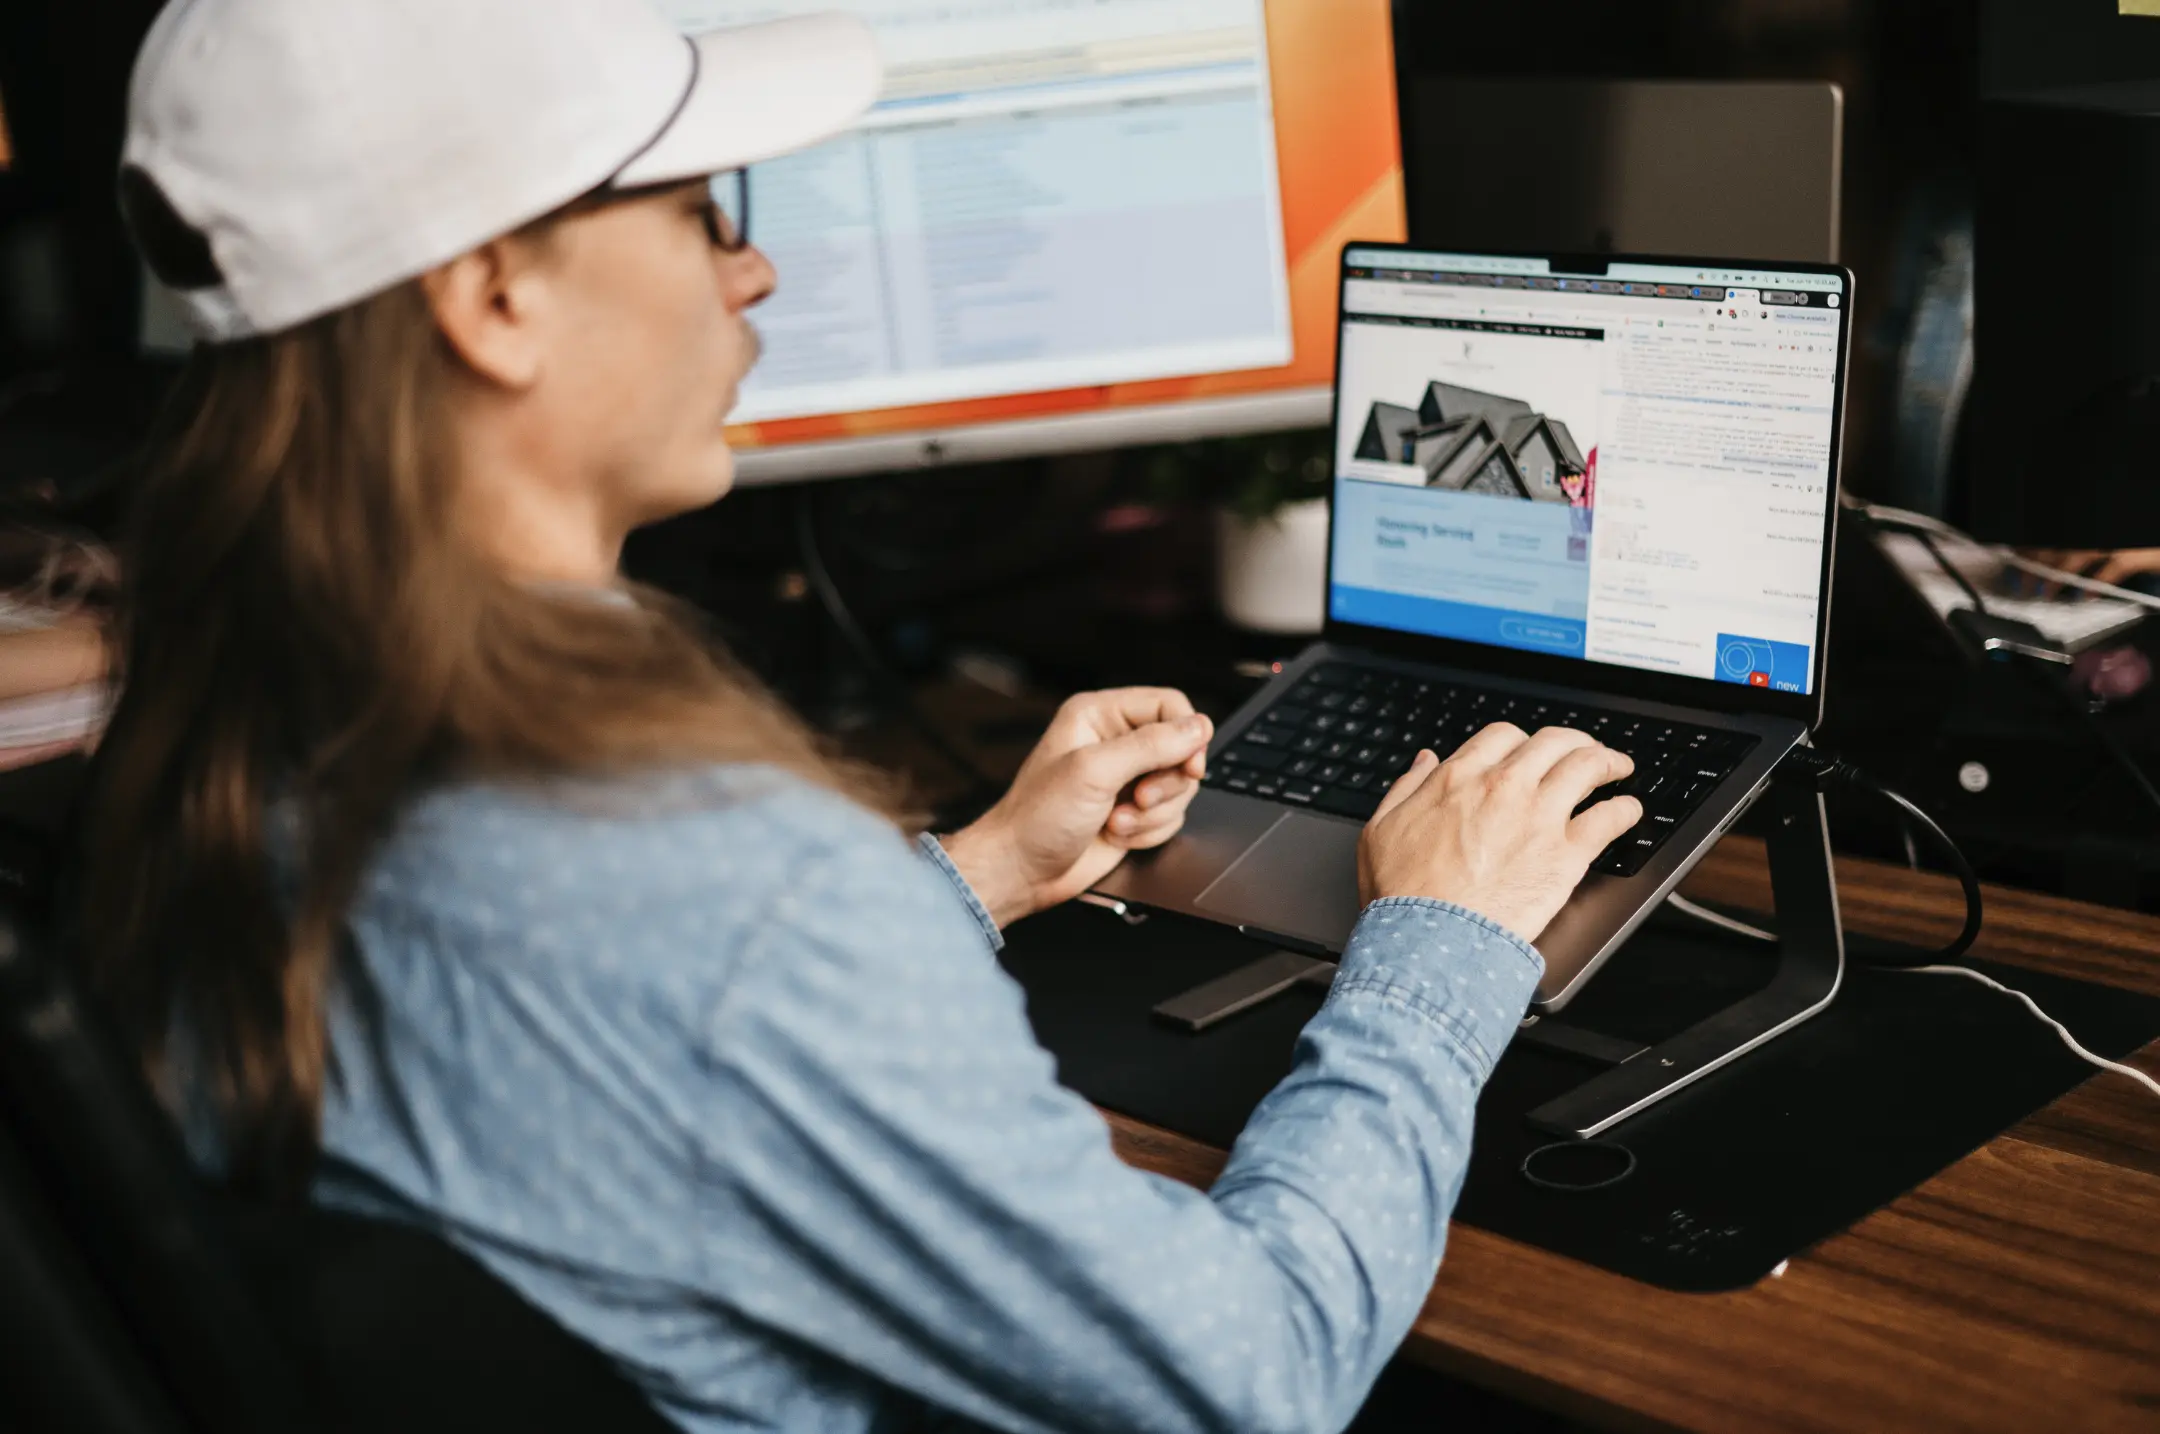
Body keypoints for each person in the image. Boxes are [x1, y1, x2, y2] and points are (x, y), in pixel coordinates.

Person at [81, 1, 1643, 1431]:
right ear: (492, 299)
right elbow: (1259, 1373)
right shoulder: (722, 873)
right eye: (700, 218)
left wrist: (977, 870)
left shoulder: (224, 717)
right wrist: (1440, 939)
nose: (753, 270)